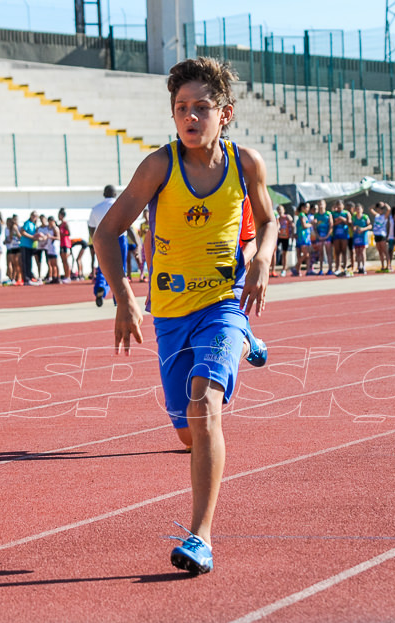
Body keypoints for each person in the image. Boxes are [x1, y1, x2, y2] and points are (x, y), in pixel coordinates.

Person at [94, 57, 277, 576]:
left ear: (226, 113)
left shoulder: (247, 165)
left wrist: (263, 257)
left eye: (201, 107)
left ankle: (200, 537)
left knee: (204, 409)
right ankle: (245, 343)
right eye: (181, 108)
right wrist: (125, 297)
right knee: (185, 431)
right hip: (170, 315)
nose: (190, 117)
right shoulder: (159, 166)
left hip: (222, 302)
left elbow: (268, 220)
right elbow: (107, 233)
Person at [88, 185, 123, 306]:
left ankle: (101, 287)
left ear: (104, 194)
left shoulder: (96, 208)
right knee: (119, 269)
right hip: (119, 237)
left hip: (102, 239)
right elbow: (128, 226)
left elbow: (91, 227)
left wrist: (94, 241)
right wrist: (137, 243)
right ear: (115, 194)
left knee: (103, 266)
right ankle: (117, 297)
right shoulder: (120, 206)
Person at [371, 202, 390, 273]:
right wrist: (376, 205)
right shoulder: (377, 216)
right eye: (378, 209)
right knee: (380, 252)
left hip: (382, 235)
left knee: (385, 251)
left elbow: (389, 209)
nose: (379, 210)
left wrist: (384, 204)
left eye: (381, 209)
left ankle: (388, 265)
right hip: (376, 235)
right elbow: (370, 209)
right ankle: (382, 266)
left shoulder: (384, 216)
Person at [293, 201, 312, 275]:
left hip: (302, 237)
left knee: (305, 255)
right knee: (306, 254)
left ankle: (302, 271)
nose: (308, 209)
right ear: (302, 208)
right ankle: (296, 267)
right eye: (306, 207)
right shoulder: (302, 215)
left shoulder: (302, 215)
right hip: (303, 238)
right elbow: (304, 225)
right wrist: (311, 224)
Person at [57, 208, 73, 283]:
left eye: (59, 215)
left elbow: (69, 233)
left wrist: (62, 234)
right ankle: (65, 275)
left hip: (66, 244)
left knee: (66, 261)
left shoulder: (65, 224)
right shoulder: (59, 225)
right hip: (61, 244)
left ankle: (68, 276)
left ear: (62, 215)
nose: (58, 216)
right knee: (63, 261)